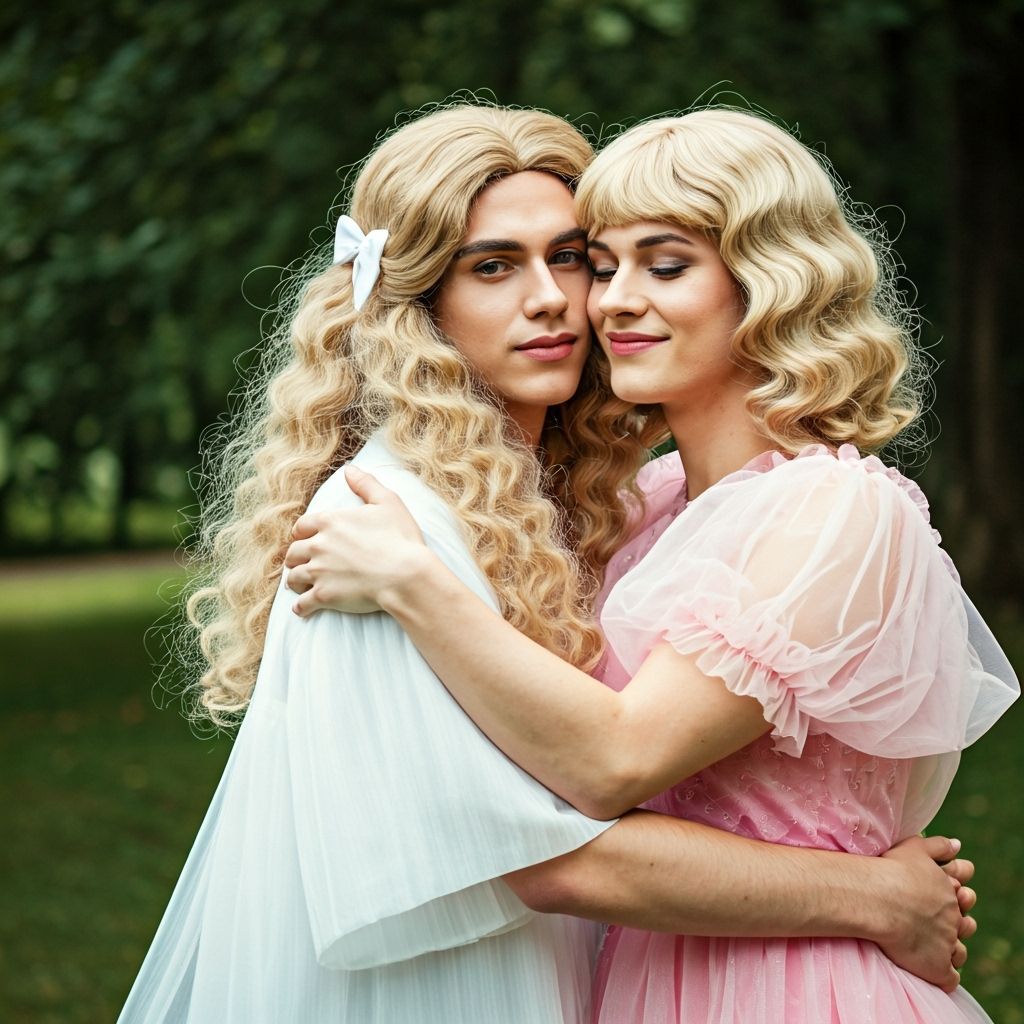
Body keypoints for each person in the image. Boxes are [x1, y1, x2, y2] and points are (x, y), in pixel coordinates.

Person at [121, 104, 974, 1024]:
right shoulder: (461, 523)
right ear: (417, 306)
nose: (584, 301)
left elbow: (608, 766)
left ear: (769, 286)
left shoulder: (821, 507)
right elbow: (542, 846)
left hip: (794, 990)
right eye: (598, 264)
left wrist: (421, 589)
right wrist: (877, 896)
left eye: (575, 258)